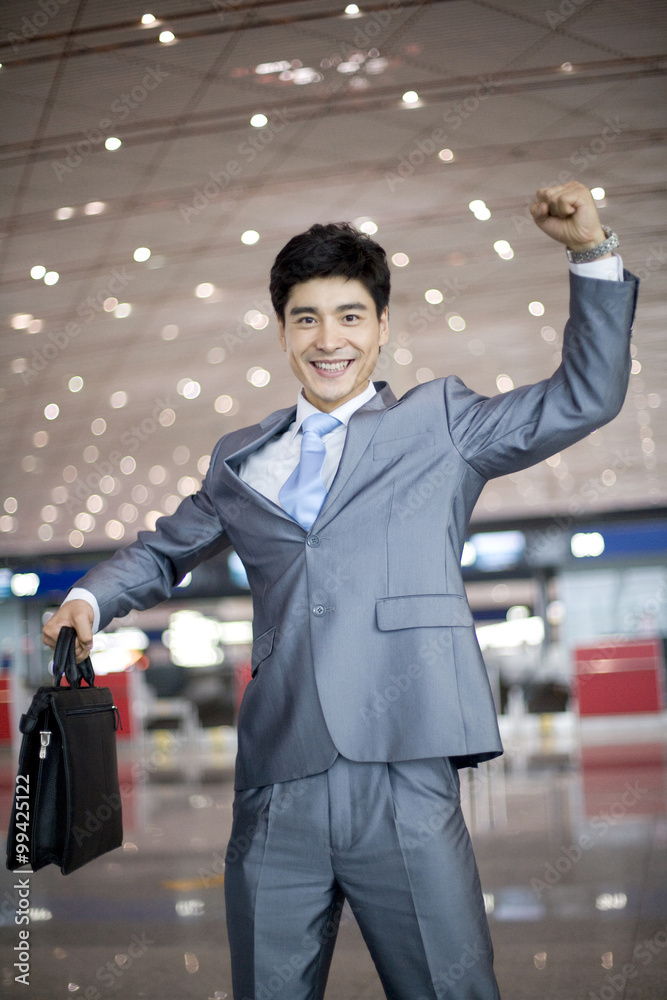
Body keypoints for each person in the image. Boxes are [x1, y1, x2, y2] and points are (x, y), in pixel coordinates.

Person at [44, 182, 638, 999]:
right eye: (307, 319)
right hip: (276, 781)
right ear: (283, 331)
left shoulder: (442, 426)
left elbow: (585, 396)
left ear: (382, 326)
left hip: (404, 766)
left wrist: (589, 253)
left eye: (350, 316)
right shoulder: (239, 459)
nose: (330, 340)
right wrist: (91, 599)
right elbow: (161, 551)